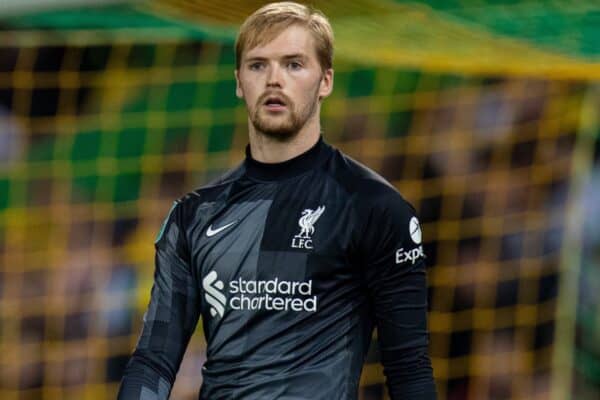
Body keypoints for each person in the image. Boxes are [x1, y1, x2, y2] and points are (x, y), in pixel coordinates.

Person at [117, 2, 436, 399]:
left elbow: (409, 371)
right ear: (238, 82)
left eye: (294, 65)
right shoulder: (194, 215)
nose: (274, 80)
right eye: (257, 65)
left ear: (326, 81)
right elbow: (154, 361)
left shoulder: (375, 208)